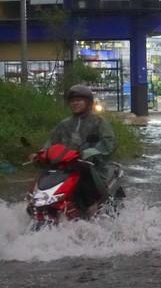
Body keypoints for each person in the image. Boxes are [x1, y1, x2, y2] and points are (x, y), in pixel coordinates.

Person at [31, 84, 116, 212]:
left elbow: (109, 143)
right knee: (44, 178)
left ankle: (96, 209)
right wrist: (41, 154)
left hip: (92, 165)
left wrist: (90, 153)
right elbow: (51, 142)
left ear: (88, 102)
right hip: (66, 165)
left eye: (79, 100)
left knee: (90, 186)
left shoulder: (98, 121)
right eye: (72, 101)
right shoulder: (64, 124)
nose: (75, 103)